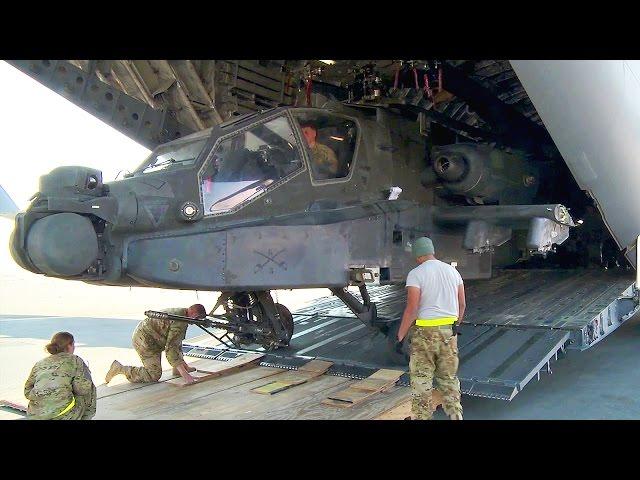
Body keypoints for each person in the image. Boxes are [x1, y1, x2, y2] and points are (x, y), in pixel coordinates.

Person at [397, 237, 465, 420]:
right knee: (449, 380)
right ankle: (456, 416)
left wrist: (401, 335)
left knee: (421, 380)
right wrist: (454, 326)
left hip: (424, 334)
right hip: (449, 333)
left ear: (418, 255)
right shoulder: (453, 272)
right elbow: (462, 304)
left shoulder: (416, 274)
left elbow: (412, 309)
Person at [105, 304, 207, 385]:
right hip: (144, 342)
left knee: (177, 341)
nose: (197, 321)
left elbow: (176, 343)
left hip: (151, 337)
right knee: (153, 375)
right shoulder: (179, 321)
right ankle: (121, 369)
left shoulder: (182, 314)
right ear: (192, 313)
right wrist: (186, 376)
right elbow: (171, 349)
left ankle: (178, 369)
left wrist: (182, 367)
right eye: (197, 318)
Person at [24, 332, 96, 420]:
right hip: (63, 416)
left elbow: (27, 391)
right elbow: (83, 389)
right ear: (69, 345)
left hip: (35, 416)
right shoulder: (75, 360)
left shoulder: (40, 363)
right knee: (89, 385)